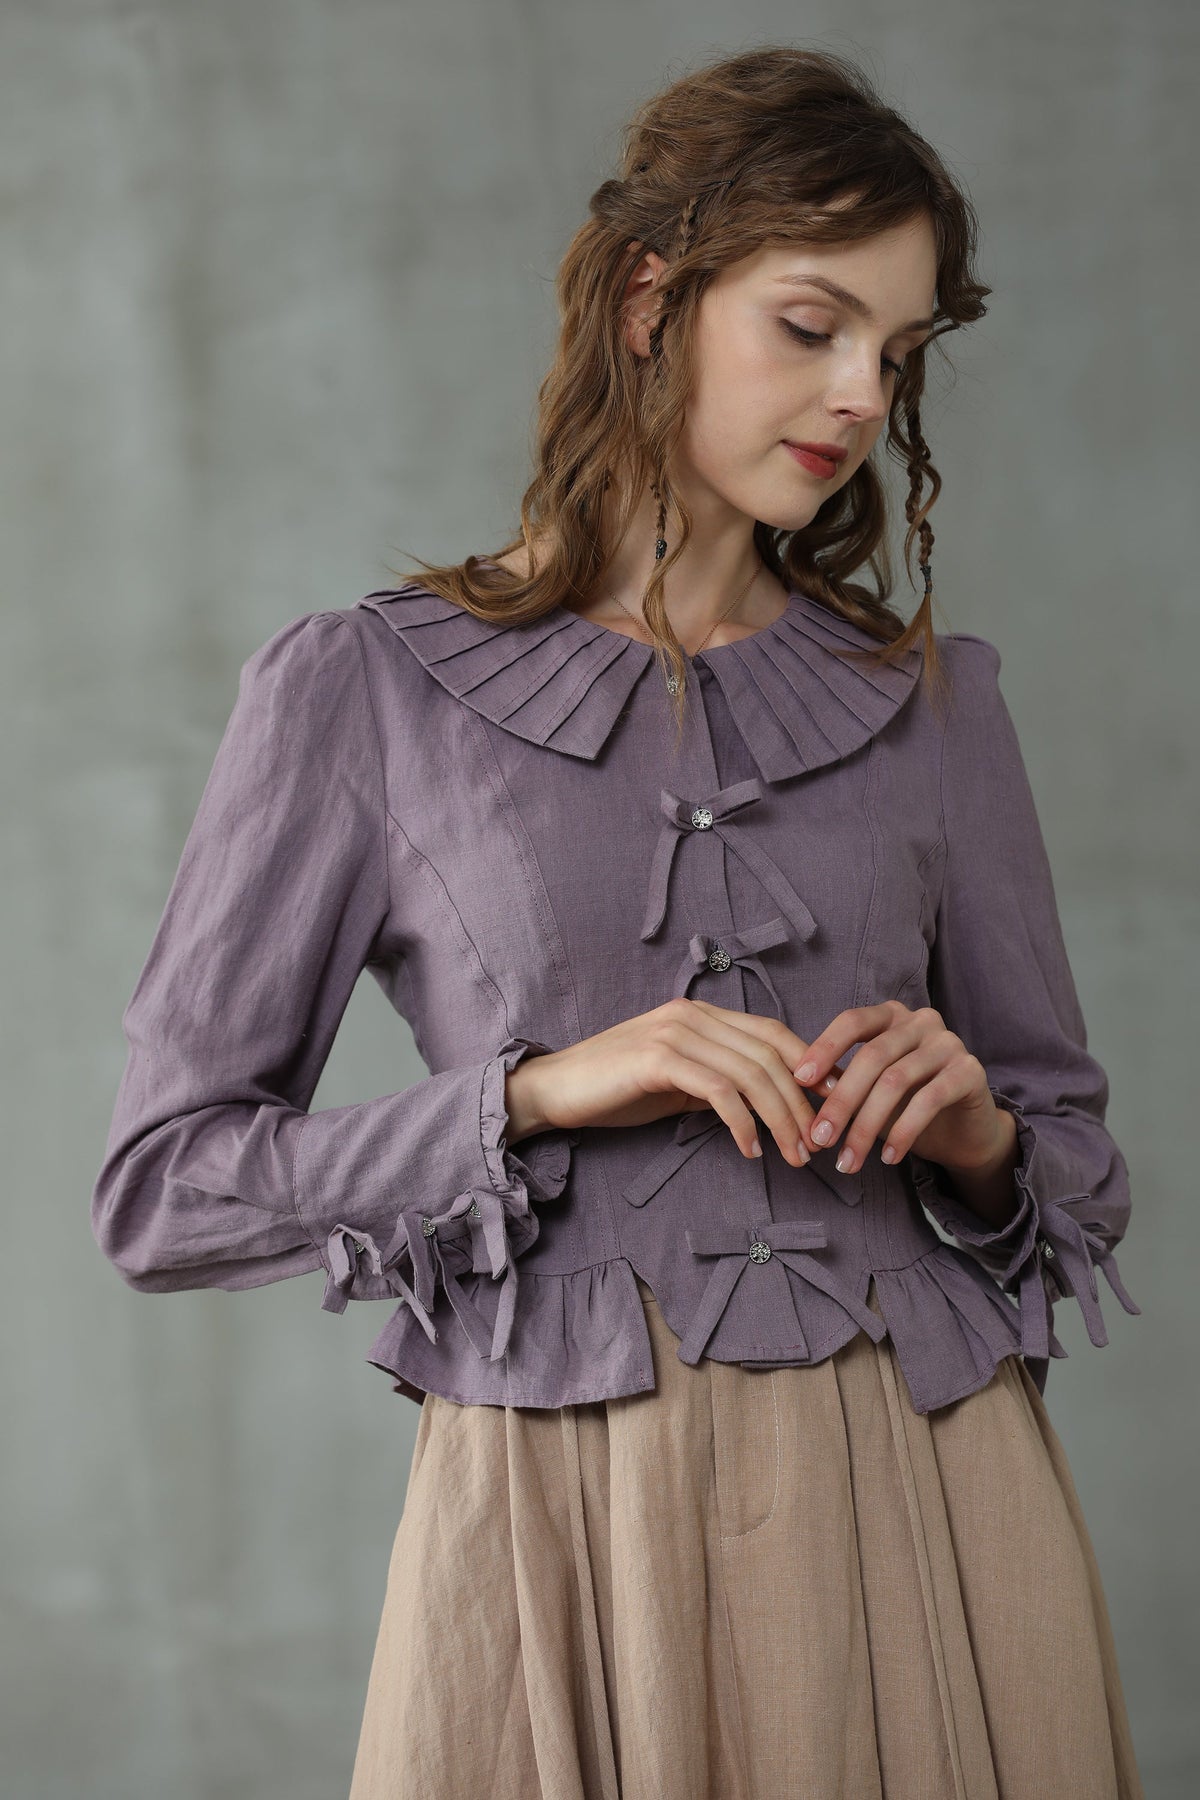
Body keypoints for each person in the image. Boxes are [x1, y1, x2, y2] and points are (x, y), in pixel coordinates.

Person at [91, 43, 1145, 1800]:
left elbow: (1082, 1178)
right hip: (560, 1519)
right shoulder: (365, 693)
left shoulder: (939, 707)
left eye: (896, 353)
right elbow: (164, 1191)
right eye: (811, 325)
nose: (862, 394)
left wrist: (976, 1134)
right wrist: (532, 1094)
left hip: (934, 1501)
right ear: (654, 298)